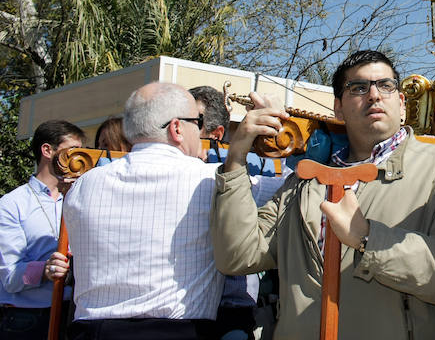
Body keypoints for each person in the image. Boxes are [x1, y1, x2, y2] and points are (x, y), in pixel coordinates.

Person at [211, 50, 435, 339]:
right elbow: (238, 256)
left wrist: (367, 238)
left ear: (402, 104)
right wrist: (237, 157)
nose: (375, 95)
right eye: (359, 88)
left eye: (386, 86)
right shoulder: (305, 181)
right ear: (338, 108)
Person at [64, 82, 224, 339]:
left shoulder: (85, 184)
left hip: (92, 331)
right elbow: (293, 191)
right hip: (177, 332)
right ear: (176, 128)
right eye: (198, 121)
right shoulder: (212, 179)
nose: (201, 131)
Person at [189, 85, 286, 340]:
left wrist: (279, 126)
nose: (176, 130)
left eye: (191, 122)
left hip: (233, 309)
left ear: (216, 134)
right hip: (183, 313)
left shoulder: (257, 177)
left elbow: (292, 186)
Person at [0, 120, 84, 339]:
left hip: (75, 312)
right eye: (72, 152)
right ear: (47, 150)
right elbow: (10, 276)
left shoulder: (82, 198)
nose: (78, 160)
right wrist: (45, 271)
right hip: (28, 319)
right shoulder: (12, 204)